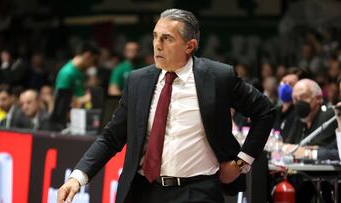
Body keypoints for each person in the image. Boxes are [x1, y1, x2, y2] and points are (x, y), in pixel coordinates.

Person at [57, 9, 276, 203]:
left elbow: (265, 111)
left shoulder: (218, 77)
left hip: (197, 191)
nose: (157, 45)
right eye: (155, 36)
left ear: (190, 46)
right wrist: (78, 177)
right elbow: (111, 137)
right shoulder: (138, 81)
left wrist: (241, 163)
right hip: (143, 190)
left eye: (167, 38)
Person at [283, 79, 338, 160]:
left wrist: (299, 150)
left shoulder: (328, 114)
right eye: (295, 99)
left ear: (318, 98)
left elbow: (318, 148)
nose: (298, 102)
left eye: (303, 97)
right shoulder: (299, 117)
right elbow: (288, 145)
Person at [55, 41, 100, 107]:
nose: (93, 65)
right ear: (88, 55)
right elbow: (62, 100)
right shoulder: (66, 73)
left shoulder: (80, 71)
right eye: (94, 61)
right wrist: (84, 99)